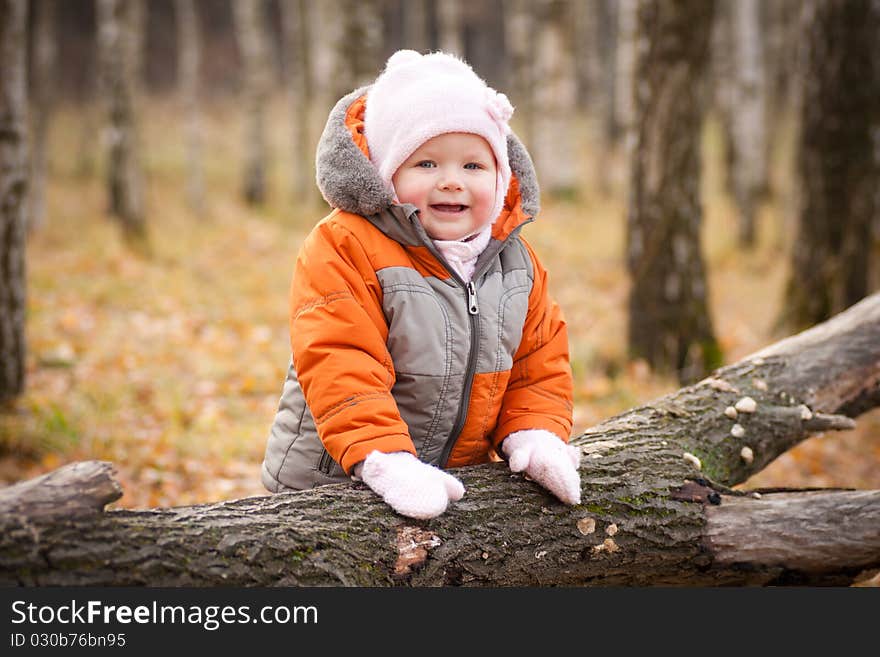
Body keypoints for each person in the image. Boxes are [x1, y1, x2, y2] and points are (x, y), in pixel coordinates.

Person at [261, 50, 581, 519]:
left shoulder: (515, 261)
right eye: (427, 164)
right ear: (389, 176)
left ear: (501, 175)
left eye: (473, 166)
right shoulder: (347, 245)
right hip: (335, 481)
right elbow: (341, 359)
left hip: (453, 485)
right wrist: (384, 457)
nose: (452, 182)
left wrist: (535, 433)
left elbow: (539, 362)